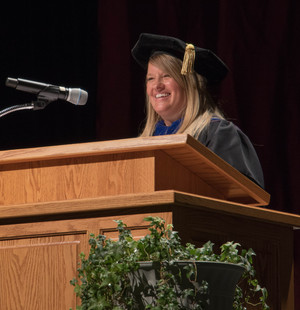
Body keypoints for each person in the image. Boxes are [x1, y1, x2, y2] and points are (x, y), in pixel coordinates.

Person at [131, 33, 264, 188]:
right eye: (150, 78)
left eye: (167, 76)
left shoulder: (217, 135)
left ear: (189, 84)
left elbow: (233, 198)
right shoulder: (145, 143)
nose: (157, 86)